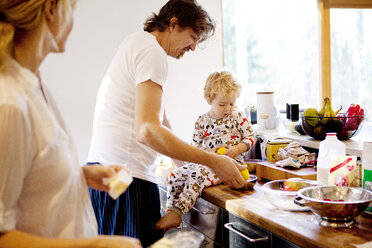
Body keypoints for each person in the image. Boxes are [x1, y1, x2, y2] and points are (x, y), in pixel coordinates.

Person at [87, 0, 251, 246]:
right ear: (173, 24)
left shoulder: (135, 42)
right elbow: (148, 130)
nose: (194, 47)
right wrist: (215, 161)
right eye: (193, 37)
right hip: (128, 181)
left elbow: (158, 116)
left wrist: (185, 165)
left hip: (106, 175)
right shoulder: (152, 51)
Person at [0, 0, 141, 247]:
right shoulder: (9, 104)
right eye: (72, 11)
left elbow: (27, 173)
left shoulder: (34, 84)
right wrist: (95, 245)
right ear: (51, 8)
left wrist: (80, 175)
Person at [154, 70, 256, 231]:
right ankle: (171, 211)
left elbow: (251, 137)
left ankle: (178, 212)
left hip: (231, 167)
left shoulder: (237, 116)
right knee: (176, 174)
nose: (228, 109)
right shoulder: (202, 121)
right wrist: (209, 154)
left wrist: (237, 148)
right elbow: (195, 148)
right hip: (207, 163)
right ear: (210, 99)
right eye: (222, 104)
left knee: (199, 176)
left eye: (232, 103)